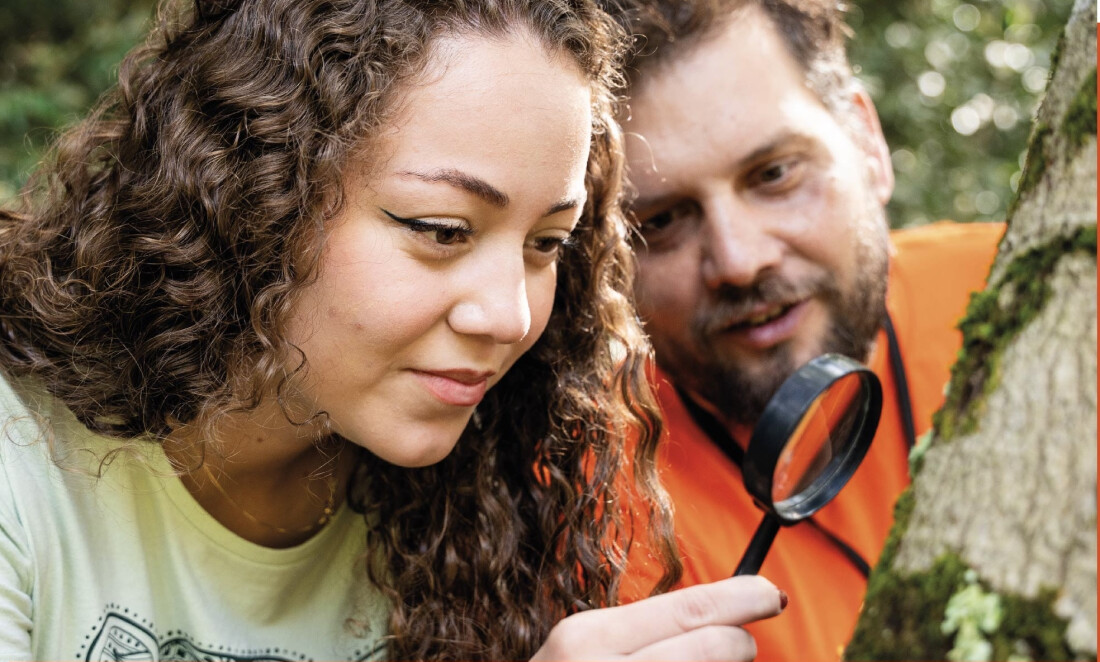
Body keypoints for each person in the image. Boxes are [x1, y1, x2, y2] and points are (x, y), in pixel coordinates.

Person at [0, 1, 789, 660]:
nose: (510, 315)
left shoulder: (476, 512)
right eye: (441, 230)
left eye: (546, 243)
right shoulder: (23, 465)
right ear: (252, 194)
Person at [601, 0, 1004, 659]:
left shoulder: (1022, 292)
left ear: (868, 144)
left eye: (774, 174)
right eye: (665, 220)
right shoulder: (598, 498)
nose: (738, 260)